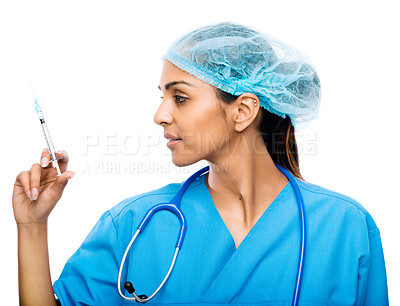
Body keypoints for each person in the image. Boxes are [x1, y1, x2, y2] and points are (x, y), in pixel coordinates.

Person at [12, 22, 389, 305]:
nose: (159, 115)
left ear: (243, 110)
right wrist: (32, 226)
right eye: (162, 96)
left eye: (179, 98)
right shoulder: (134, 224)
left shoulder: (345, 228)